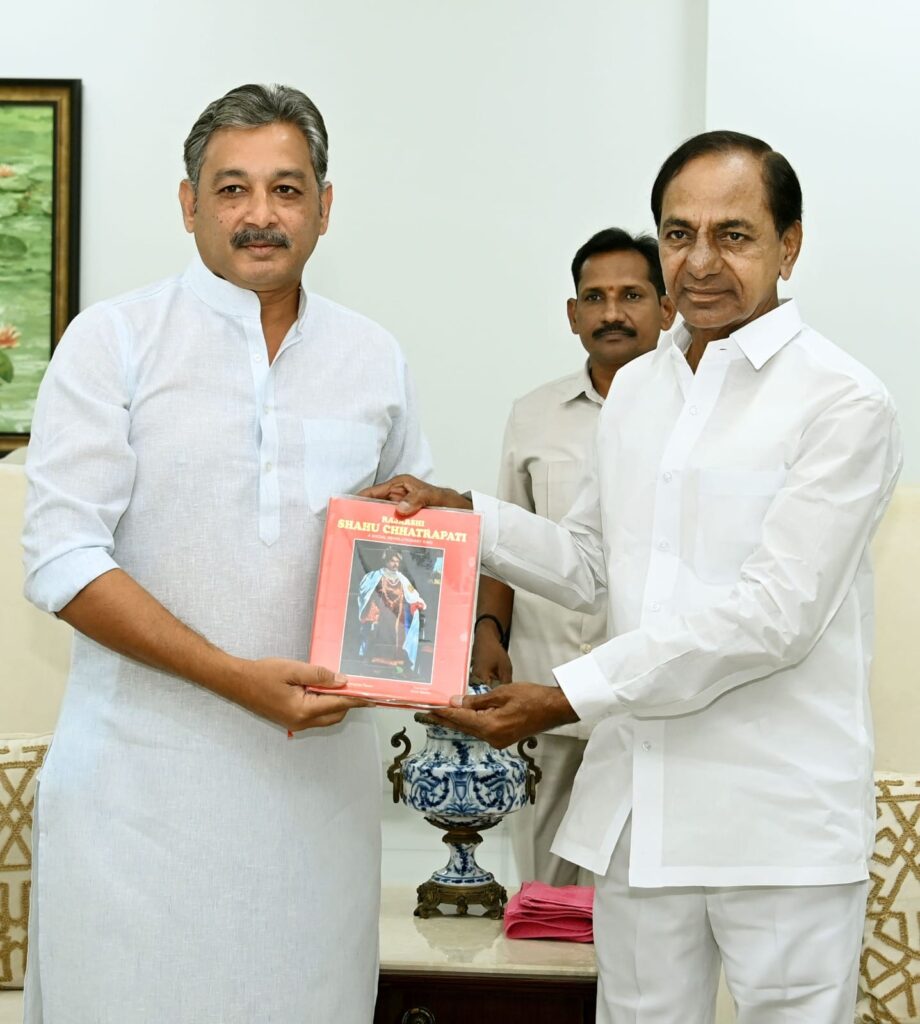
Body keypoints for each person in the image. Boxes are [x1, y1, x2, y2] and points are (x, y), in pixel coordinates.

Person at [366, 131, 902, 1023]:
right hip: (639, 815)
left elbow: (776, 616)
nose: (702, 261)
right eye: (680, 234)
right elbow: (591, 565)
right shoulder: (640, 392)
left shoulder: (842, 400)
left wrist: (565, 696)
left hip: (776, 822)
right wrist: (465, 517)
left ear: (790, 245)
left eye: (734, 234)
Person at [21, 83, 431, 1023]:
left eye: (286, 189)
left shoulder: (374, 357)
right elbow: (61, 559)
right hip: (136, 800)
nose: (260, 214)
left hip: (315, 808)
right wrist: (234, 677)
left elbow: (410, 545)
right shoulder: (114, 342)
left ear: (325, 205)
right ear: (189, 204)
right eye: (232, 188)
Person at [471, 228, 674, 886]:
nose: (612, 312)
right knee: (545, 889)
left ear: (666, 307)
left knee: (644, 886)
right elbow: (506, 540)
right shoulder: (534, 414)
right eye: (595, 297)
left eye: (631, 295)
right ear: (572, 313)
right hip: (544, 685)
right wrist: (489, 632)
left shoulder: (694, 414)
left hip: (648, 697)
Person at [358, 547, 426, 672]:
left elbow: (412, 594)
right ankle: (377, 660)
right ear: (386, 561)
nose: (395, 564)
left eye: (397, 561)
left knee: (397, 636)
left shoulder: (402, 579)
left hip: (397, 614)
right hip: (381, 614)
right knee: (380, 635)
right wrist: (373, 609)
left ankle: (395, 662)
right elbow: (365, 591)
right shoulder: (375, 576)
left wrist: (418, 602)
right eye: (393, 561)